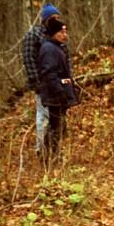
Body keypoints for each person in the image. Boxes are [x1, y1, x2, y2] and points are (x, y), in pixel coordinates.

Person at [22, 3, 72, 157]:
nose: (56, 20)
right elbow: (29, 60)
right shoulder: (34, 35)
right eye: (52, 17)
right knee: (43, 118)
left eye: (57, 17)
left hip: (57, 85)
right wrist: (37, 82)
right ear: (44, 19)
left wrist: (67, 82)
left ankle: (53, 151)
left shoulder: (57, 36)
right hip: (44, 85)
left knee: (57, 120)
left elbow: (65, 60)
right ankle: (41, 150)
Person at [37, 18, 77, 161]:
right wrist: (60, 91)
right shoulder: (49, 49)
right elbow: (49, 74)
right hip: (54, 95)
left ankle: (52, 154)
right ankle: (48, 156)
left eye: (66, 31)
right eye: (61, 32)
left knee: (59, 126)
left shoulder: (56, 47)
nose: (65, 35)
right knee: (56, 127)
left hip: (59, 94)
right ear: (54, 33)